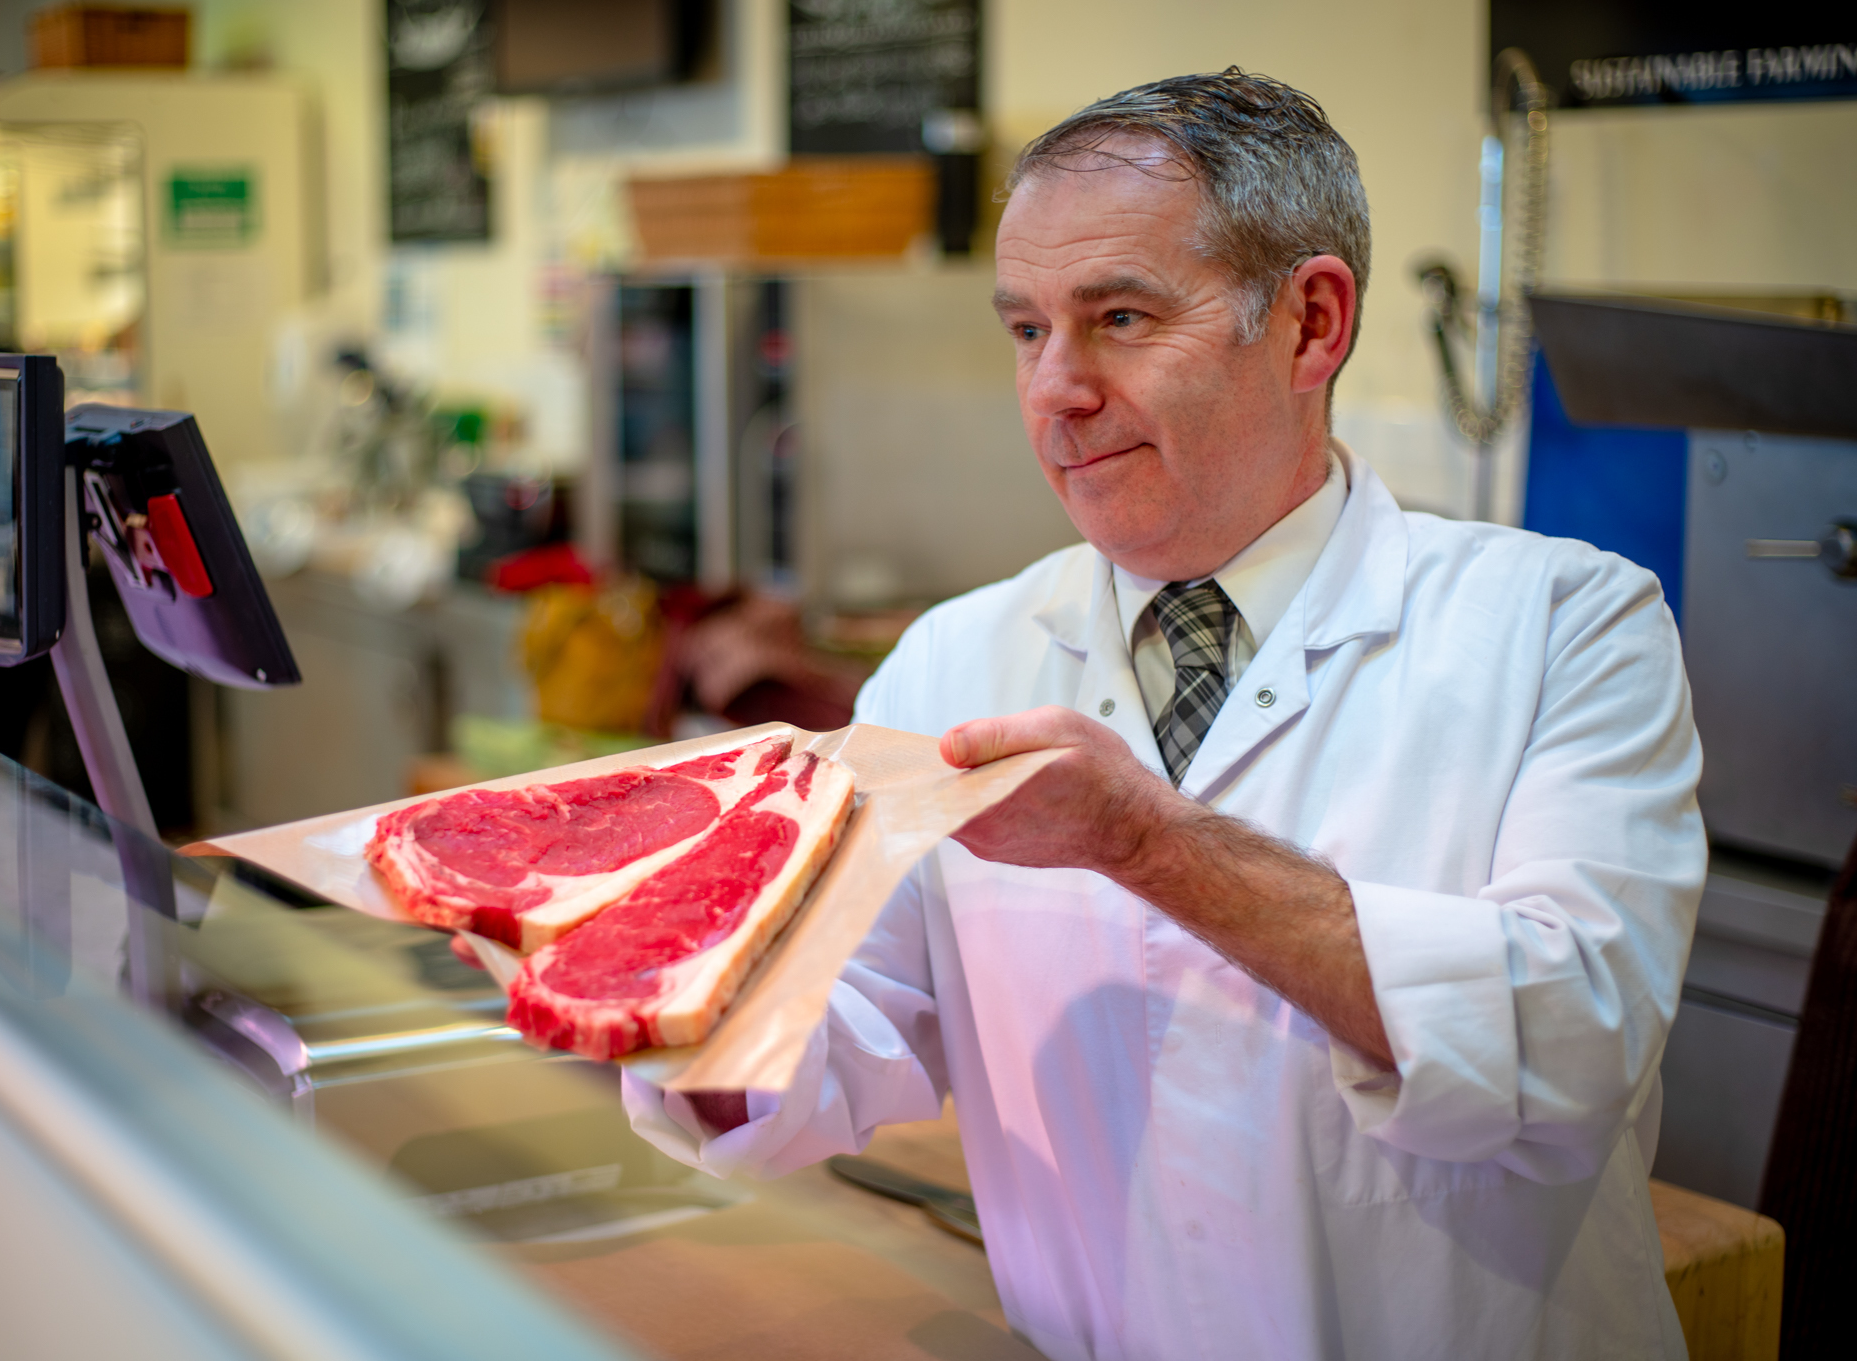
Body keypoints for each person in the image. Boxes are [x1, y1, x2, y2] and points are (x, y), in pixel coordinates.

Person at [624, 71, 1701, 1360]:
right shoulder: (954, 657)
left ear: (1309, 324)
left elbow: (1574, 1041)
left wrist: (1149, 843)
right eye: (1024, 330)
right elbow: (852, 1031)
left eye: (1118, 318)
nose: (1053, 390)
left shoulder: (1564, 626)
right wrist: (656, 980)